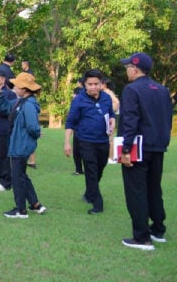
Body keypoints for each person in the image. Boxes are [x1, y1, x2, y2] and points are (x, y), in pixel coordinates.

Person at [118, 53, 172, 250]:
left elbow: (130, 120)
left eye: (127, 67)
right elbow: (167, 118)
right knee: (153, 188)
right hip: (157, 146)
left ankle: (142, 237)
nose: (127, 71)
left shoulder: (131, 89)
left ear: (135, 69)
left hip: (138, 147)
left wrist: (125, 149)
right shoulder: (163, 90)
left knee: (136, 191)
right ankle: (158, 229)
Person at [0, 72, 47, 218]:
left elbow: (32, 126)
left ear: (24, 89)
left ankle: (20, 210)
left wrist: (37, 133)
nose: (14, 87)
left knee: (17, 178)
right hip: (18, 144)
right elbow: (5, 108)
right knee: (21, 175)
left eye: (16, 85)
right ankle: (35, 204)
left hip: (21, 145)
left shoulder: (28, 105)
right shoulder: (21, 102)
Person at [64, 69, 116, 215]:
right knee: (91, 170)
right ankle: (97, 204)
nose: (93, 87)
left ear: (101, 84)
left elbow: (111, 114)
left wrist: (112, 121)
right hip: (85, 141)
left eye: (96, 84)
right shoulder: (78, 100)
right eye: (90, 84)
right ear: (85, 85)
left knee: (100, 168)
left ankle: (89, 193)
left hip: (103, 140)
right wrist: (67, 142)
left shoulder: (106, 98)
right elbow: (70, 122)